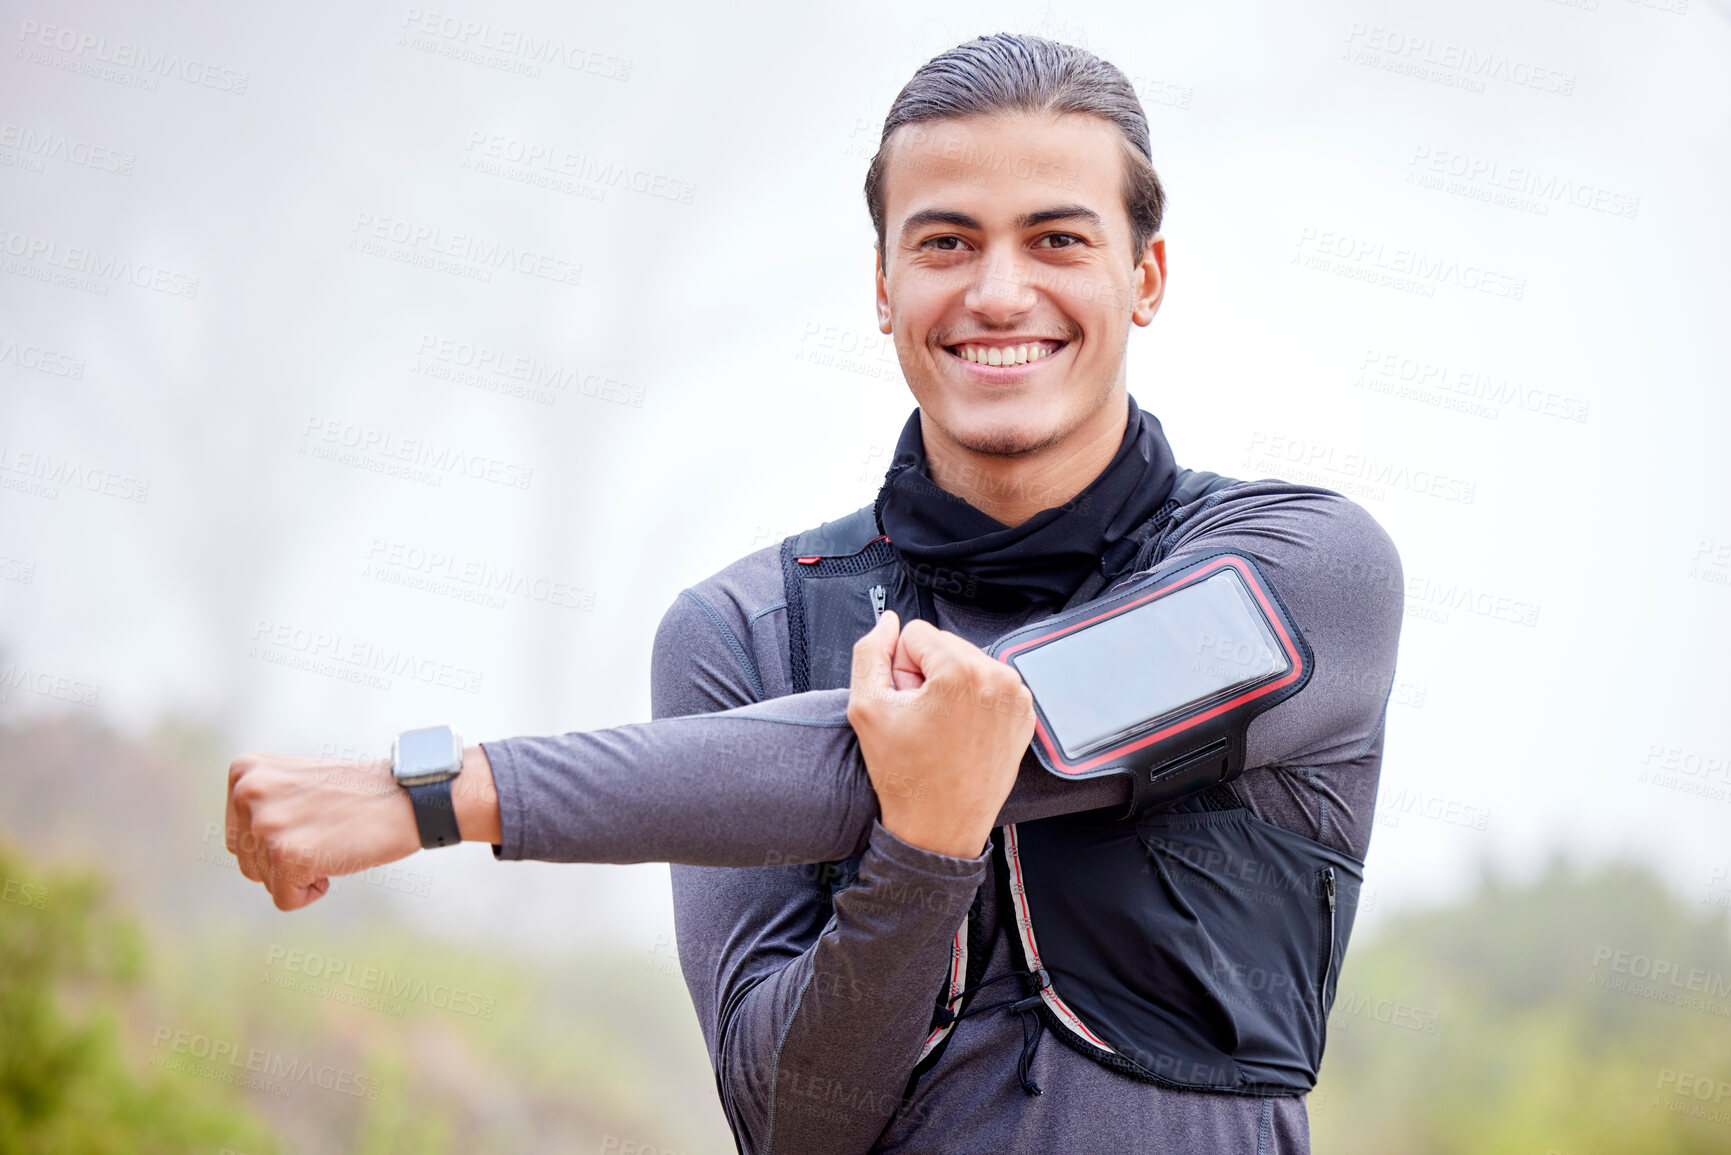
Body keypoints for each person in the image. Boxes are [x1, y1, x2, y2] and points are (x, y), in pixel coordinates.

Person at [225, 34, 1403, 1154]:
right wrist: (923, 856)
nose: (999, 292)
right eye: (945, 243)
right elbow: (788, 1125)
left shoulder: (1306, 571)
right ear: (883, 286)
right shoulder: (743, 632)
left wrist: (449, 793)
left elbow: (1005, 719)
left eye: (1056, 240)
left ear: (1143, 276)